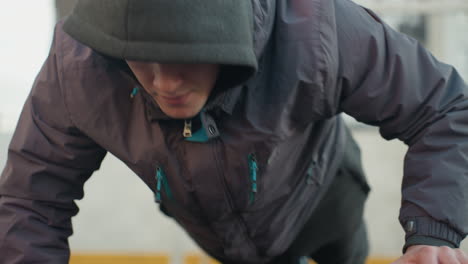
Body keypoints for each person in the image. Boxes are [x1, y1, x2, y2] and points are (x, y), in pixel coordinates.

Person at [0, 0, 467, 263]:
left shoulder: (315, 30)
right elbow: (31, 197)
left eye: (184, 56)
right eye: (140, 58)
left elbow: (442, 107)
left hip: (323, 198)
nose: (164, 83)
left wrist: (433, 232)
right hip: (221, 233)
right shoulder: (78, 67)